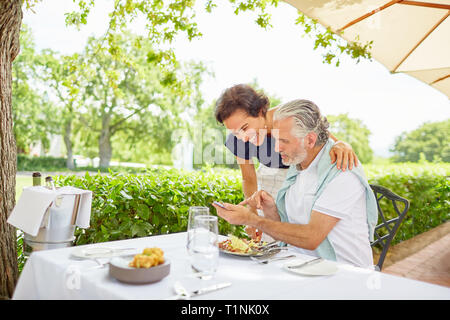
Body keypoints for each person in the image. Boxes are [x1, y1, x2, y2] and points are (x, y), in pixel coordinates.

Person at [213, 99, 378, 268]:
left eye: (283, 141)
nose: (276, 149)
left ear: (310, 140)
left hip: (344, 276)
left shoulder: (341, 171)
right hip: (304, 268)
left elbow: (311, 238)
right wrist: (271, 210)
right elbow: (287, 233)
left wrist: (253, 219)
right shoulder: (297, 170)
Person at [215, 84, 359, 241]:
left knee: (296, 236)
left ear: (260, 111)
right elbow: (248, 177)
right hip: (268, 182)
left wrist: (341, 144)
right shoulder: (240, 139)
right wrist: (253, 213)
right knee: (268, 241)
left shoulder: (287, 117)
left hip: (299, 180)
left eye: (244, 128)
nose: (243, 138)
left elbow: (322, 137)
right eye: (235, 133)